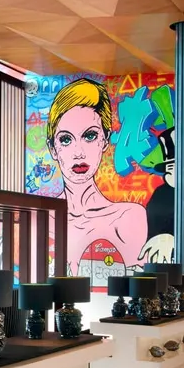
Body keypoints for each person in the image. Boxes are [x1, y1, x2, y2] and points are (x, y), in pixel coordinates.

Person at [46, 78, 148, 282]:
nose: (78, 152)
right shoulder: (38, 219)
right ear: (53, 149)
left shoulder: (128, 217)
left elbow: (133, 289)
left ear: (105, 140)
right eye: (65, 139)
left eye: (90, 136)